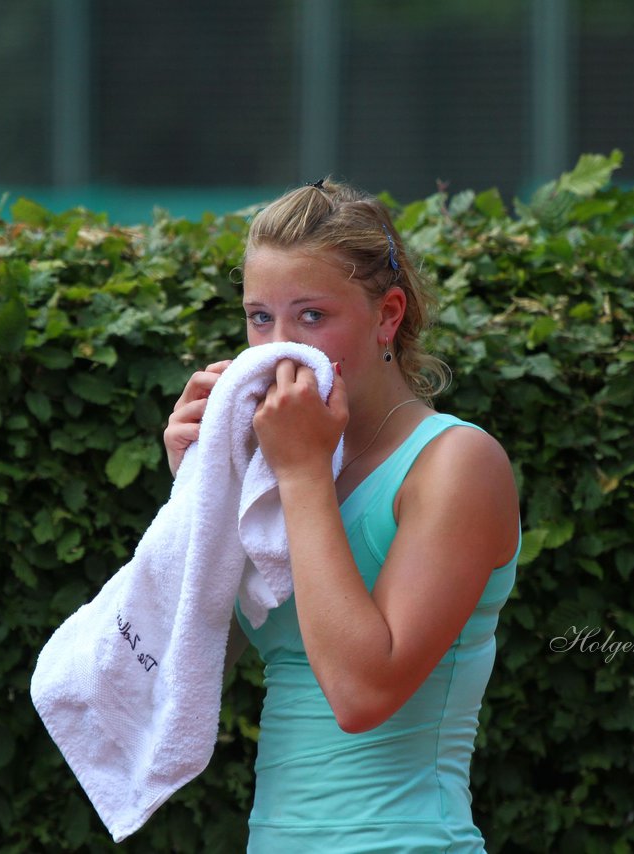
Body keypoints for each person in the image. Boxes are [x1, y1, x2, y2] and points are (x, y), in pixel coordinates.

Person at [162, 178, 521, 852]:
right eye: (260, 318)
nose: (278, 345)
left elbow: (361, 693)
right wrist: (197, 493)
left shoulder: (456, 464)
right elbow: (195, 666)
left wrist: (300, 474)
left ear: (387, 315)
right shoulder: (277, 470)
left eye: (312, 316)